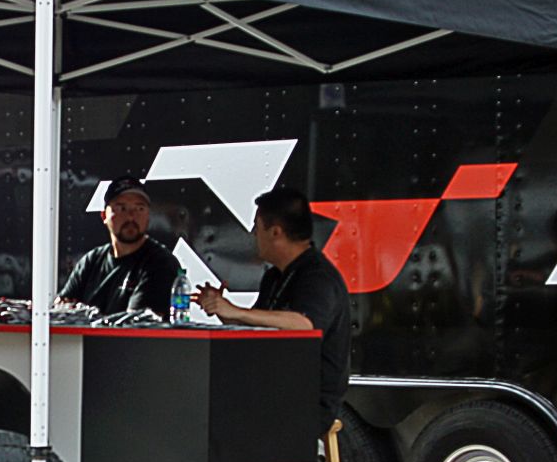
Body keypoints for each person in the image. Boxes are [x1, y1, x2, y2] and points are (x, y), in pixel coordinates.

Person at [195, 185, 351, 438]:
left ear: (275, 232)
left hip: (306, 401)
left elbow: (305, 324)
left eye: (257, 227)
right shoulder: (274, 276)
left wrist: (236, 311)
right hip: (273, 389)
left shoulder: (316, 276)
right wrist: (222, 310)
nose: (253, 234)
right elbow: (257, 327)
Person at [58, 177, 180, 318]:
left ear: (148, 215)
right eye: (121, 208)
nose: (131, 216)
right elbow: (62, 310)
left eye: (139, 208)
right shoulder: (91, 261)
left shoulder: (161, 263)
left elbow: (136, 324)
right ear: (104, 216)